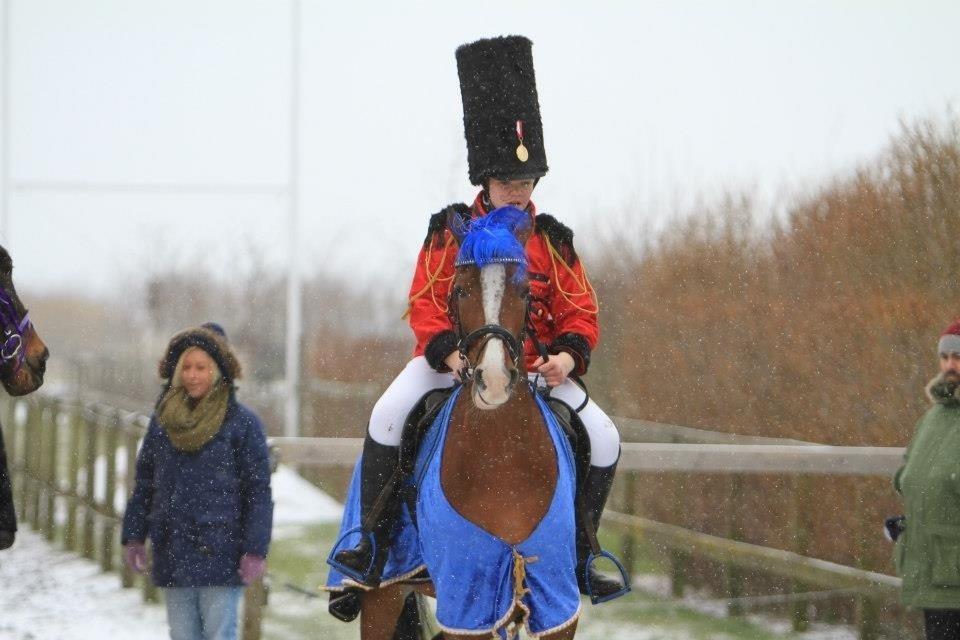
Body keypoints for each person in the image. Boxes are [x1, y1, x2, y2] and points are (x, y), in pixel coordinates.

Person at [331, 35, 624, 601]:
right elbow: (423, 300)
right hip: (452, 365)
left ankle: (584, 553)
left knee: (606, 438)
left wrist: (566, 355)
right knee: (387, 415)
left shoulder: (552, 240)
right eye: (508, 182)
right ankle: (371, 543)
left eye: (526, 182)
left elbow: (580, 307)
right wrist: (447, 352)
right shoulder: (450, 230)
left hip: (537, 372)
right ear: (484, 181)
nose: (518, 192)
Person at [121, 323, 273, 640]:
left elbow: (257, 491)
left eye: (201, 367)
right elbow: (145, 483)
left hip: (223, 552)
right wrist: (134, 535)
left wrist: (255, 549)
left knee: (220, 633)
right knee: (182, 634)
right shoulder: (162, 420)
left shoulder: (242, 424)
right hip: (173, 549)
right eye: (187, 367)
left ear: (217, 371)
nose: (193, 375)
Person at [894, 319, 960, 639]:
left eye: (958, 357)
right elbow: (908, 473)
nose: (950, 365)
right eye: (945, 356)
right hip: (930, 568)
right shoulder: (934, 417)